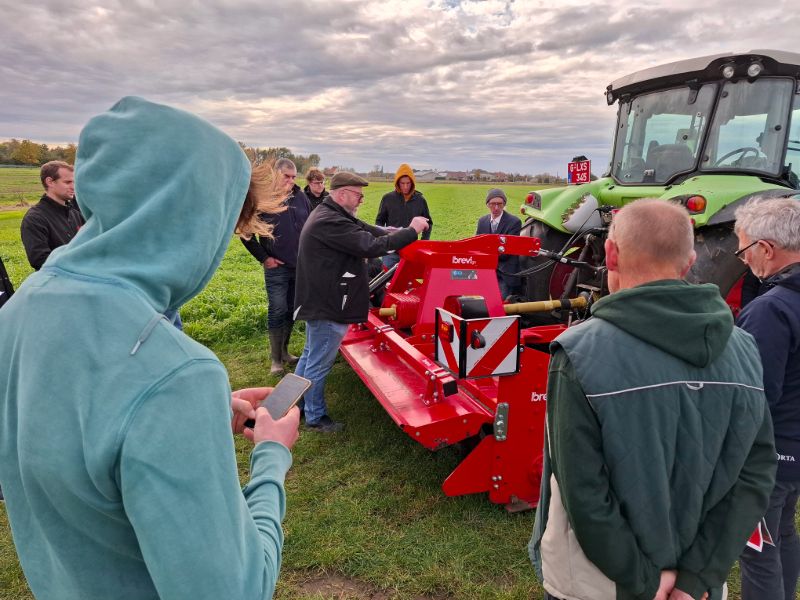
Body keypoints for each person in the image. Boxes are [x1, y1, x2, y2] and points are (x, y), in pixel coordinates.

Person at [0, 97, 300, 600]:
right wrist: (271, 456)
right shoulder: (176, 376)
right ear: (197, 217)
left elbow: (70, 431)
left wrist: (197, 418)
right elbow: (237, 590)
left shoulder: (21, 308)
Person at [529, 199, 776, 600]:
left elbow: (584, 492)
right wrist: (695, 579)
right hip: (697, 588)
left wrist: (644, 581)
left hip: (600, 586)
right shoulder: (745, 348)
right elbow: (754, 474)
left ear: (610, 253)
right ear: (689, 262)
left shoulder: (578, 353)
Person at [294, 172, 429, 432]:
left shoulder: (331, 213)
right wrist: (412, 230)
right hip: (329, 304)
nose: (361, 200)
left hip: (319, 299)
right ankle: (315, 417)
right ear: (342, 193)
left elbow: (366, 228)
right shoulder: (331, 221)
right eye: (358, 195)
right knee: (319, 363)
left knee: (311, 354)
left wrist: (396, 231)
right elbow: (371, 245)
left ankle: (295, 403)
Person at [735, 197, 800, 600]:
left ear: (766, 248)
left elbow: (755, 394)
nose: (743, 260)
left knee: (756, 547)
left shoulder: (769, 310)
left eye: (744, 250)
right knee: (783, 532)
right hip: (795, 453)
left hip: (771, 455)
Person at [242, 158, 312, 375]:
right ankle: (275, 361)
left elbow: (311, 224)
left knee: (291, 309)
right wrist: (265, 258)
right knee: (278, 308)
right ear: (275, 174)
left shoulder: (301, 197)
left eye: (293, 177)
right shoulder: (263, 198)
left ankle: (284, 352)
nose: (291, 181)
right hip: (276, 268)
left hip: (299, 266)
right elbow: (245, 233)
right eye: (286, 176)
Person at [20, 160, 85, 270]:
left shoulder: (75, 214)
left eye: (74, 182)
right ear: (50, 182)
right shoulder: (35, 219)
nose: (73, 187)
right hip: (57, 279)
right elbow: (39, 259)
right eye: (67, 182)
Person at [375, 163, 432, 268]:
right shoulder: (388, 198)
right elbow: (379, 221)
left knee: (409, 275)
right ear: (397, 183)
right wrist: (384, 240)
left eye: (408, 183)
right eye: (402, 183)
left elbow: (428, 223)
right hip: (391, 249)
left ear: (412, 183)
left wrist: (423, 242)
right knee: (388, 275)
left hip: (411, 248)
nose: (405, 186)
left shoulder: (420, 200)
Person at [475, 188, 522, 298]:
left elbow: (507, 251)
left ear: (504, 204)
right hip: (487, 270)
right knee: (483, 299)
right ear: (487, 204)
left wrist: (487, 253)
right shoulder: (482, 221)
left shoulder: (514, 222)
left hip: (505, 273)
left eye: (499, 204)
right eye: (493, 204)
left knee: (499, 301)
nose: (496, 208)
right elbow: (477, 244)